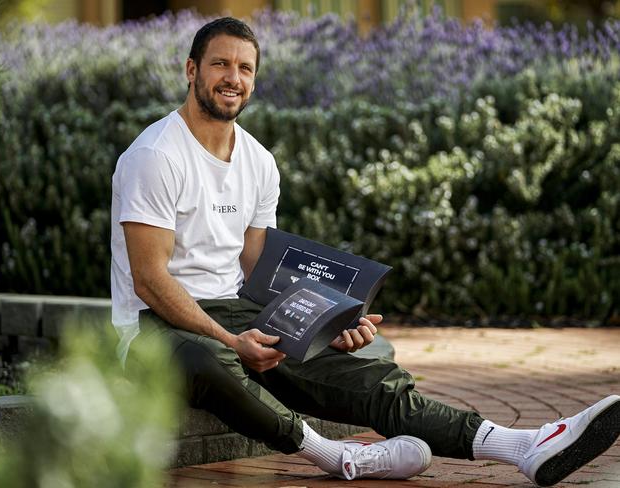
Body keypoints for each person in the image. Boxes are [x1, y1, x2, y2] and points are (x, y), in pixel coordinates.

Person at [110, 16, 620, 486]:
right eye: (220, 64)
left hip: (234, 310)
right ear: (191, 69)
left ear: (255, 80)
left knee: (369, 375)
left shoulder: (259, 162)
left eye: (245, 68)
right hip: (155, 325)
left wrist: (323, 322)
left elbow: (256, 264)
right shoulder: (156, 156)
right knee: (211, 359)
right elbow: (150, 280)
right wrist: (230, 338)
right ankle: (339, 456)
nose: (232, 78)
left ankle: (521, 445)